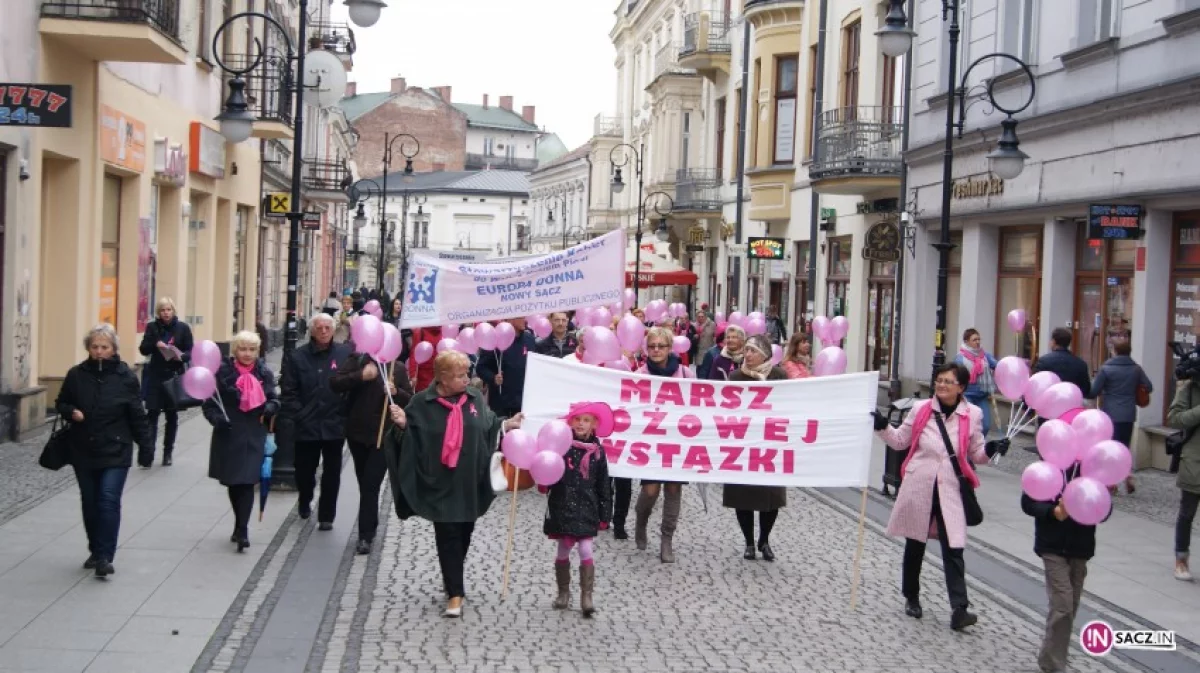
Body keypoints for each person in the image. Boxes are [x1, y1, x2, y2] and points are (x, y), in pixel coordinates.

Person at [385, 351, 525, 617]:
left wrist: (508, 425)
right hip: (440, 482)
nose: (466, 379)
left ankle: (452, 575)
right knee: (447, 535)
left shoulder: (473, 399)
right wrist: (403, 424)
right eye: (460, 376)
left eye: (465, 374)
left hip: (469, 481)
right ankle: (455, 594)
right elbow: (407, 439)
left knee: (463, 534)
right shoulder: (421, 403)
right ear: (443, 378)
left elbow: (489, 426)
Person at [873, 363, 1008, 630]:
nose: (942, 385)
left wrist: (993, 449)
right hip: (920, 485)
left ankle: (960, 608)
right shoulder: (921, 410)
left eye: (948, 381)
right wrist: (882, 426)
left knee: (954, 548)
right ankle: (911, 596)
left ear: (961, 387)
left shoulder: (973, 414)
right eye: (939, 380)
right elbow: (900, 441)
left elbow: (977, 453)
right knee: (915, 544)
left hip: (951, 489)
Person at [55, 324, 151, 577]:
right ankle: (95, 549)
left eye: (104, 347)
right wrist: (70, 412)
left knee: (108, 500)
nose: (99, 351)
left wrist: (146, 447)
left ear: (113, 349)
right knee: (90, 502)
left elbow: (137, 414)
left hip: (116, 447)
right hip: (83, 448)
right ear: (88, 348)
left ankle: (105, 556)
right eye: (94, 347)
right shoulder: (76, 374)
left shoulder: (125, 376)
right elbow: (61, 402)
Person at [1022, 465, 1109, 673]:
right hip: (1052, 546)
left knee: (1072, 604)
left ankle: (1049, 656)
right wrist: (1053, 511)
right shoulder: (1047, 467)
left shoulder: (1092, 469)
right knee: (1063, 604)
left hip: (1081, 547)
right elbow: (1028, 503)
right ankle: (1054, 664)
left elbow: (1105, 512)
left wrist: (1096, 500)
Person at [330, 344, 414, 554]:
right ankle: (370, 524)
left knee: (370, 484)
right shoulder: (358, 360)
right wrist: (361, 376)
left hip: (383, 437)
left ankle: (365, 535)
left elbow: (411, 400)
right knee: (364, 483)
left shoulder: (398, 368)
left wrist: (396, 392)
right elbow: (335, 383)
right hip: (357, 434)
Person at [204, 331, 279, 553]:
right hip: (229, 433)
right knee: (234, 483)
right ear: (235, 350)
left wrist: (269, 408)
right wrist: (217, 419)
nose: (247, 354)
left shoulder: (264, 373)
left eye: (252, 350)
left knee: (247, 482)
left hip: (253, 433)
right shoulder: (221, 373)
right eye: (243, 349)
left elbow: (274, 399)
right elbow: (209, 403)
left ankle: (243, 529)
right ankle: (239, 523)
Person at [279, 312, 353, 530]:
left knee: (332, 472)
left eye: (327, 328)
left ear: (333, 330)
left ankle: (326, 516)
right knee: (305, 470)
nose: (323, 331)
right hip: (307, 424)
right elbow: (288, 390)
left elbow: (351, 384)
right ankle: (305, 498)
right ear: (311, 330)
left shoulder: (344, 353)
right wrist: (299, 414)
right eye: (319, 328)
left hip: (334, 423)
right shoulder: (298, 356)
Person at [542, 401, 614, 617]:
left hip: (587, 508)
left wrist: (605, 515)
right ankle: (563, 591)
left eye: (586, 421)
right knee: (563, 549)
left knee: (585, 549)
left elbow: (604, 486)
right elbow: (551, 471)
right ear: (571, 422)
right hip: (563, 506)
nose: (581, 424)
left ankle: (586, 595)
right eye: (578, 420)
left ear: (594, 426)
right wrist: (544, 481)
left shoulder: (598, 452)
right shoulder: (562, 446)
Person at [631, 327, 695, 563]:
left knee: (673, 489)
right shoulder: (640, 374)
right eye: (652, 346)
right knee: (650, 491)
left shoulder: (686, 374)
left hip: (677, 440)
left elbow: (698, 404)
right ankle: (641, 520)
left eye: (661, 346)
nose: (656, 350)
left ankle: (667, 539)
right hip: (650, 441)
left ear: (670, 348)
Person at [723, 335, 787, 561]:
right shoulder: (736, 377)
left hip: (770, 444)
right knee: (743, 495)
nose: (747, 354)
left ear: (765, 355)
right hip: (743, 445)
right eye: (747, 350)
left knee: (771, 497)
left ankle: (764, 540)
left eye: (753, 351)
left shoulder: (779, 376)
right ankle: (749, 542)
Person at [1090, 339, 1152, 495]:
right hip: (1129, 414)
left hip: (1110, 414)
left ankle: (1111, 483)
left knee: (1111, 449)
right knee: (1123, 448)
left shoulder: (1106, 369)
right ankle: (1127, 474)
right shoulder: (1136, 369)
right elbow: (1149, 387)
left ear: (1115, 351)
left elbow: (1094, 391)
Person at [138, 297, 193, 467]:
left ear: (173, 310)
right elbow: (143, 349)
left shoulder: (182, 328)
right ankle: (148, 453)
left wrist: (181, 356)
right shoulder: (152, 327)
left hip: (174, 375)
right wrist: (156, 345)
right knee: (152, 415)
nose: (166, 313)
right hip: (156, 375)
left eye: (168, 309)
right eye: (162, 310)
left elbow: (190, 350)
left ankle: (168, 452)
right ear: (158, 312)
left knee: (171, 415)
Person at [1167, 372, 1200, 582]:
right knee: (1187, 513)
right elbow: (1174, 419)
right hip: (1195, 461)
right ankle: (1181, 559)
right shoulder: (1190, 388)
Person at [475, 317, 536, 417]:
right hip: (501, 402)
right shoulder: (495, 338)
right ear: (511, 319)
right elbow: (481, 368)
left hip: (524, 401)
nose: (525, 320)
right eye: (521, 317)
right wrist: (493, 377)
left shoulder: (529, 339)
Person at [953, 328, 998, 437]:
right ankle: (968, 450)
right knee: (969, 426)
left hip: (982, 395)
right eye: (974, 340)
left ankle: (977, 447)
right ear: (966, 341)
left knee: (985, 425)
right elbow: (956, 377)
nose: (977, 342)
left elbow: (998, 366)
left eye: (978, 339)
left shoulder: (985, 356)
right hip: (967, 396)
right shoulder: (960, 359)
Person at [1032, 328, 1091, 400]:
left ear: (1054, 342)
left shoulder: (1044, 361)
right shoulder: (1081, 364)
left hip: (1049, 403)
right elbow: (1086, 390)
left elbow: (1035, 385)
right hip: (1071, 403)